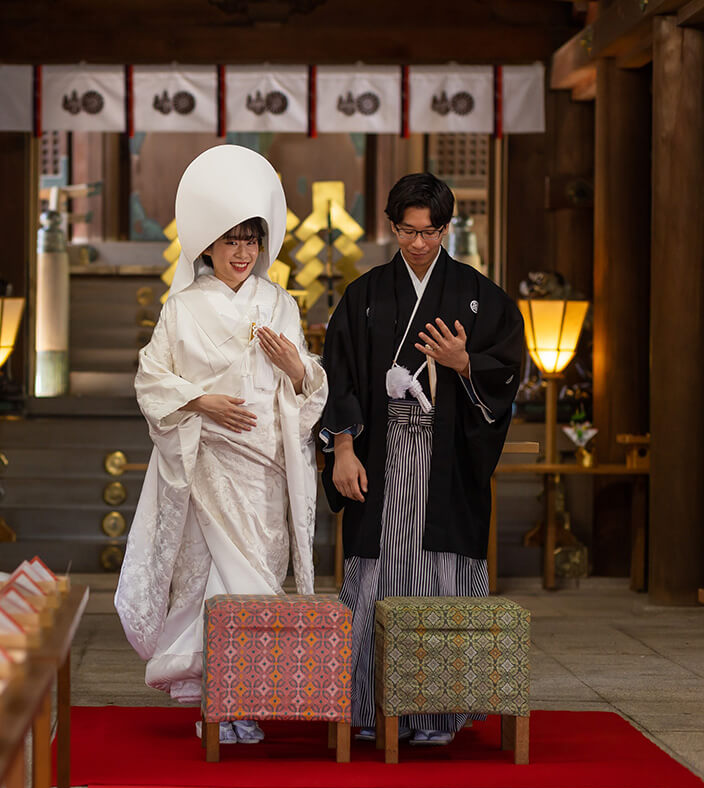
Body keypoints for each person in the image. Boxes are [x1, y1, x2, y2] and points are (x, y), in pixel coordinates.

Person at [114, 144, 328, 744]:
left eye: (251, 241)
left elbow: (310, 389)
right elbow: (151, 378)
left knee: (258, 579)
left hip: (264, 470)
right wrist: (200, 401)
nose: (242, 253)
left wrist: (297, 368)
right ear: (207, 244)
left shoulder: (280, 303)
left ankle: (250, 696)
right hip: (206, 463)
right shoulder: (181, 310)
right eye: (231, 240)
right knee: (213, 584)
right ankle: (218, 700)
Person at [319, 173, 525, 746]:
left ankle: (439, 712)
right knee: (375, 575)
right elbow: (338, 376)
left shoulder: (478, 294)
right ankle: (368, 705)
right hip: (377, 455)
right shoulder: (364, 297)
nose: (418, 244)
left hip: (445, 460)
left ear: (446, 228)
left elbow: (507, 366)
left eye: (430, 232)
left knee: (441, 573)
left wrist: (464, 364)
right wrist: (341, 448)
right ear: (391, 227)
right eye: (407, 232)